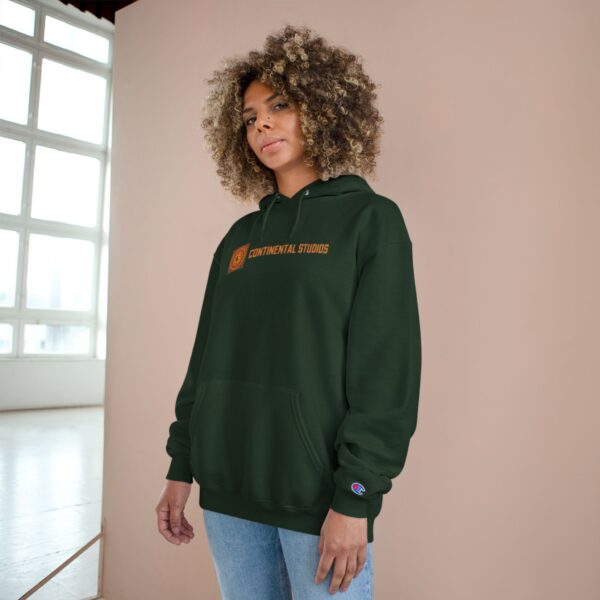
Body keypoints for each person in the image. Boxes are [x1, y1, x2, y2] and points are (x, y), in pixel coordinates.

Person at [155, 24, 422, 599]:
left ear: (323, 109)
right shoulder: (239, 238)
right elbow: (206, 360)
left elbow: (386, 372)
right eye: (250, 117)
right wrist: (182, 466)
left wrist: (356, 496)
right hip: (227, 493)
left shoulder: (371, 221)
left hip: (318, 500)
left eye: (279, 106)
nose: (262, 125)